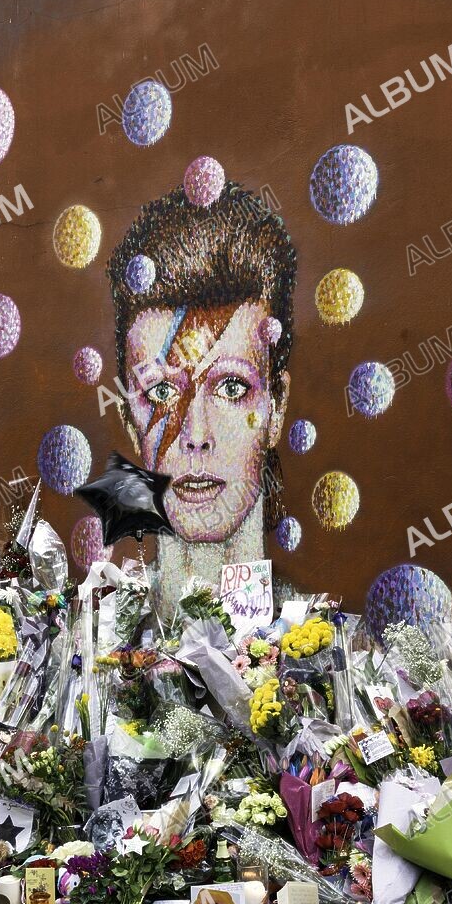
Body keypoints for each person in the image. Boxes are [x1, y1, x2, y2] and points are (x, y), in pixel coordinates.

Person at [107, 182, 295, 617]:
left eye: (231, 388)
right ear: (128, 419)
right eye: (163, 392)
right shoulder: (109, 641)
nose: (196, 435)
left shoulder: (318, 637)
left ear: (276, 406)